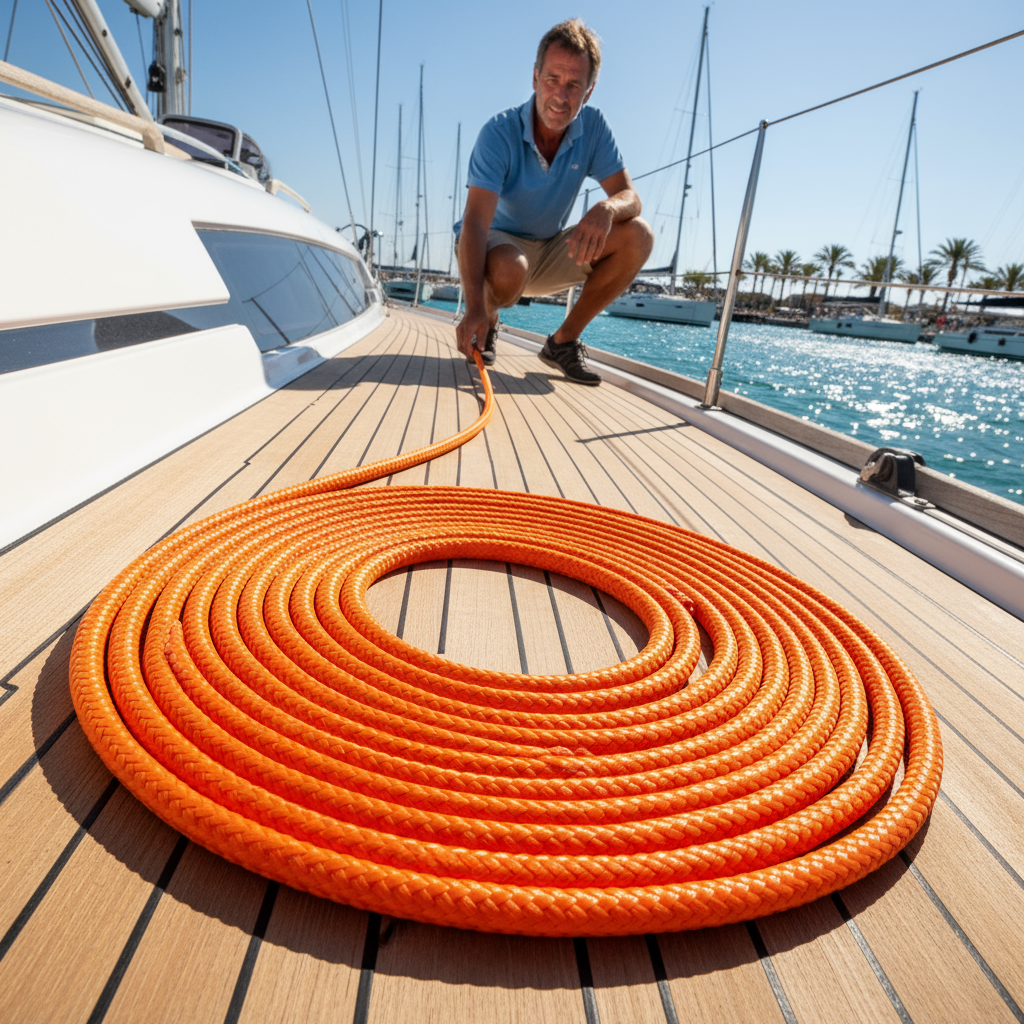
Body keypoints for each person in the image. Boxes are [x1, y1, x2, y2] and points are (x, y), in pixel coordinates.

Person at [454, 19, 653, 386]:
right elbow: (475, 224)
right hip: (497, 246)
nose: (561, 96)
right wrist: (475, 310)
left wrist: (606, 209)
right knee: (511, 268)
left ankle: (562, 342)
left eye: (573, 85)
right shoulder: (498, 134)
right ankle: (492, 319)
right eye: (552, 80)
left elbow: (631, 197)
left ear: (588, 92)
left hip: (549, 249)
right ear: (534, 78)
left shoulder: (593, 128)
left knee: (638, 235)